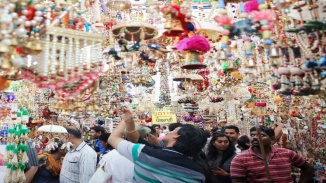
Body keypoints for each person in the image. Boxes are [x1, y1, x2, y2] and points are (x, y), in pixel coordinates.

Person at [108, 106, 207, 182]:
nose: (168, 132)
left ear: (177, 136)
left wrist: (126, 120)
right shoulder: (198, 174)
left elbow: (113, 139)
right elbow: (136, 139)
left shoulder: (144, 154)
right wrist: (130, 122)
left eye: (173, 131)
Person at [230, 125, 314, 183]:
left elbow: (308, 168)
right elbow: (237, 181)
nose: (255, 137)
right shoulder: (240, 159)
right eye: (252, 135)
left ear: (272, 139)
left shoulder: (287, 153)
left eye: (261, 135)